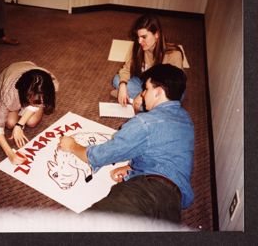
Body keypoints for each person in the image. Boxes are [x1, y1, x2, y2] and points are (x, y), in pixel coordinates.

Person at [59, 64, 194, 223]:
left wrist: (72, 146)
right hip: (173, 205)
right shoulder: (186, 119)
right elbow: (168, 153)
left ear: (158, 92)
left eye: (147, 89)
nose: (143, 94)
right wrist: (133, 167)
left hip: (145, 193)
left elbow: (100, 156)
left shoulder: (144, 123)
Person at [0, 61, 59, 165]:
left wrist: (19, 125)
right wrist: (10, 153)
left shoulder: (51, 84)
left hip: (29, 72)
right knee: (10, 123)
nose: (40, 105)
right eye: (35, 103)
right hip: (13, 77)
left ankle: (26, 109)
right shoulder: (9, 94)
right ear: (25, 96)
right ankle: (21, 108)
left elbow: (39, 103)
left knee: (31, 122)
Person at [111, 14, 184, 112]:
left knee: (175, 99)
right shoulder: (137, 47)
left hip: (162, 91)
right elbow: (126, 69)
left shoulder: (174, 54)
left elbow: (173, 87)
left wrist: (143, 95)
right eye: (138, 37)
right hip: (144, 84)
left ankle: (136, 101)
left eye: (144, 37)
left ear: (157, 34)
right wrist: (123, 85)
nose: (140, 41)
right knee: (117, 79)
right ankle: (143, 104)